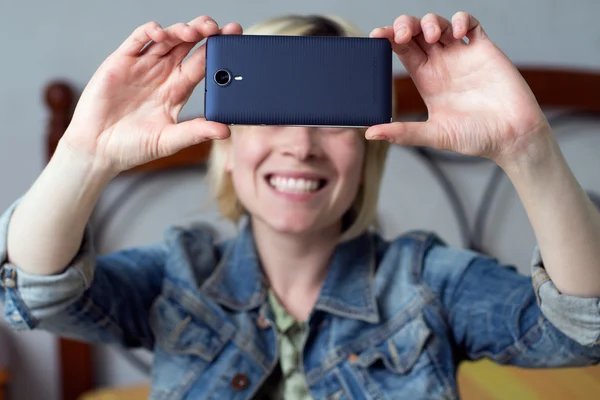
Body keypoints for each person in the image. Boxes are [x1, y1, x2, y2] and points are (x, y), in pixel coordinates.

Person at [1, 11, 600, 400]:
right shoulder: (176, 277)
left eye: (331, 121)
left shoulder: (429, 284)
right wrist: (84, 156)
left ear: (367, 152)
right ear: (227, 148)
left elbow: (583, 333)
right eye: (268, 116)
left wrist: (529, 150)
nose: (300, 145)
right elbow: (34, 290)